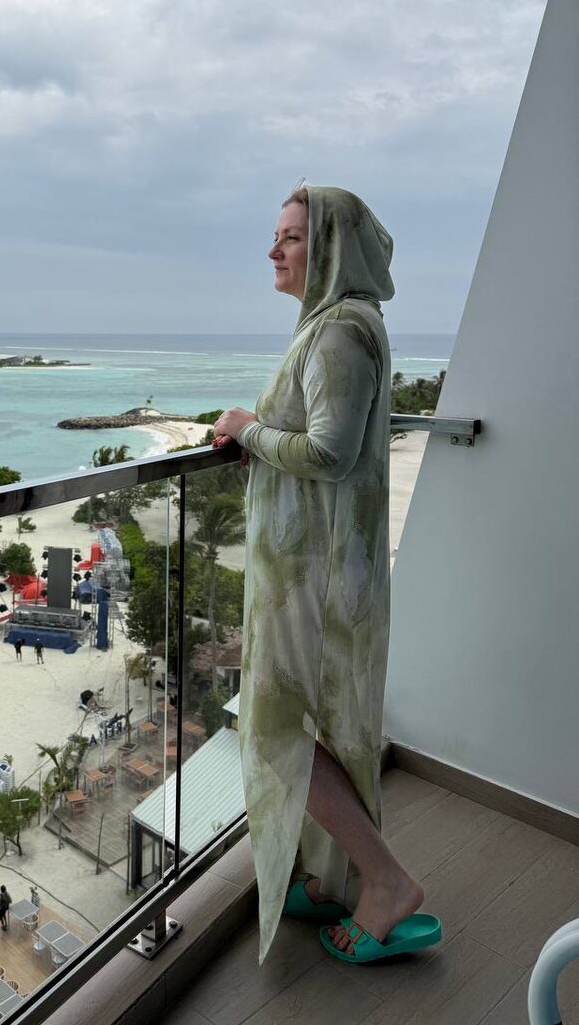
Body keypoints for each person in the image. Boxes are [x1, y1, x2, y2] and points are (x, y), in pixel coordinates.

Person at [213, 185, 440, 967]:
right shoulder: (337, 323)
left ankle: (387, 882)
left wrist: (249, 430)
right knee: (322, 727)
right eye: (277, 236)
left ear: (333, 248)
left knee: (276, 730)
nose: (273, 251)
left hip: (315, 574)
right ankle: (336, 873)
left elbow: (329, 453)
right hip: (318, 566)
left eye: (291, 237)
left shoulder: (340, 329)